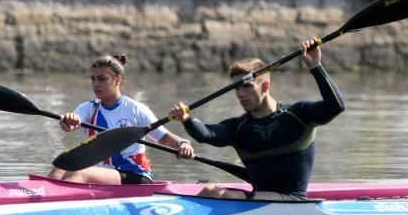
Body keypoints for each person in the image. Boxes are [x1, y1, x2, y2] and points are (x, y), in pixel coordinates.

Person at [168, 38, 344, 200]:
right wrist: (187, 119)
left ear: (265, 86)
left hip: (293, 201)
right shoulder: (238, 128)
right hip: (259, 199)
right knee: (208, 190)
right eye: (236, 88)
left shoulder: (298, 115)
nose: (240, 94)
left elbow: (336, 106)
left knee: (219, 194)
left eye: (246, 86)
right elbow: (206, 135)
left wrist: (315, 67)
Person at [48, 54, 196, 184]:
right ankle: (35, 200)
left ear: (117, 80)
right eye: (93, 79)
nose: (95, 84)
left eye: (102, 79)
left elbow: (163, 138)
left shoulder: (136, 109)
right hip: (103, 173)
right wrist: (69, 121)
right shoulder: (88, 108)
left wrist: (182, 143)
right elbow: (68, 127)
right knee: (59, 169)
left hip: (135, 175)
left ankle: (59, 208)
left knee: (79, 172)